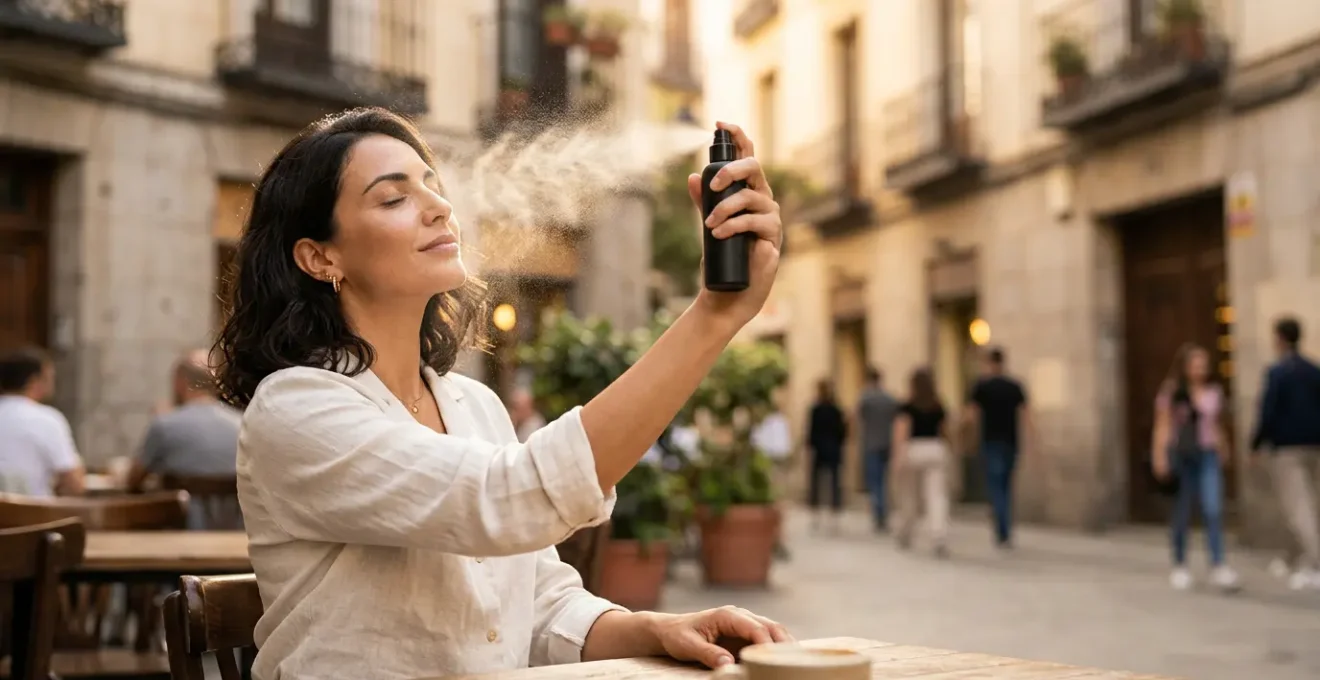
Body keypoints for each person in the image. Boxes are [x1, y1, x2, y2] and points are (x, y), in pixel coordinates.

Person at [211, 109, 790, 679]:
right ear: (320, 257)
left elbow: (540, 606)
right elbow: (510, 499)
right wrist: (713, 317)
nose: (439, 207)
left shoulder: (476, 405)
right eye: (393, 199)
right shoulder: (296, 408)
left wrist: (657, 630)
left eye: (433, 187)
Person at [1152, 344, 1240, 592]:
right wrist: (1160, 456)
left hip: (1208, 454)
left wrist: (1223, 447)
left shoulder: (1213, 392)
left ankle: (1218, 564)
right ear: (1185, 367)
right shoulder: (1173, 392)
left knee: (1213, 508)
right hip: (1181, 456)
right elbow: (1163, 426)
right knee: (1181, 511)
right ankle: (1180, 564)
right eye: (1196, 364)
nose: (1201, 369)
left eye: (1204, 364)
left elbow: (1216, 423)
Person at [125, 349, 242, 528]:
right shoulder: (242, 425)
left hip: (179, 533)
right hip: (236, 534)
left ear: (179, 382)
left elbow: (133, 480)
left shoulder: (164, 425)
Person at [1250, 316, 1320, 590]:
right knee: (1303, 503)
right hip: (1314, 445)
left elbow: (1268, 411)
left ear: (1279, 338)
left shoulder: (1278, 372)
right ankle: (1291, 557)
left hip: (1288, 448)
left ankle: (1314, 563)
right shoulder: (1313, 370)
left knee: (1298, 506)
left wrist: (1256, 443)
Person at [964, 347, 1030, 549]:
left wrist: (968, 438)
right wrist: (1033, 442)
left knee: (995, 486)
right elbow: (1026, 415)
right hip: (1011, 441)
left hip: (991, 441)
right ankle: (1005, 528)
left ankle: (1001, 529)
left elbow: (971, 416)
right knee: (1006, 485)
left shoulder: (982, 386)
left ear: (989, 363)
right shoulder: (1014, 386)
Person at [0, 347, 84, 497]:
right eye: (50, 377)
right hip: (33, 510)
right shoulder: (47, 419)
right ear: (34, 381)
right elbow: (73, 484)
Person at [892, 368, 952, 557]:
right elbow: (945, 430)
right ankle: (938, 535)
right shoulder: (938, 405)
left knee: (909, 494)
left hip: (913, 449)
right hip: (936, 448)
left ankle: (906, 530)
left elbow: (901, 432)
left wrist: (897, 457)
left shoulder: (907, 406)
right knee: (936, 495)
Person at [856, 367, 898, 533]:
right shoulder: (889, 399)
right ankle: (883, 511)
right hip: (886, 443)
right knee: (883, 480)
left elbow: (858, 418)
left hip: (871, 444)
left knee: (875, 481)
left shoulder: (865, 398)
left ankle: (879, 513)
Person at [806, 380, 847, 533]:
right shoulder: (836, 410)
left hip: (819, 449)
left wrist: (811, 447)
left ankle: (816, 515)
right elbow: (842, 431)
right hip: (834, 449)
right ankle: (833, 516)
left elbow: (811, 432)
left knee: (816, 482)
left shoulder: (816, 410)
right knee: (834, 482)